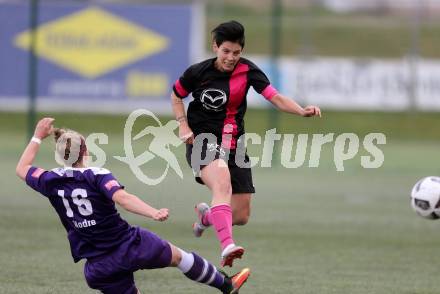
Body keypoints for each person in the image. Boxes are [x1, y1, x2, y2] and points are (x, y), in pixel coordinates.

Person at [16, 117, 250, 294]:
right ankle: (226, 284)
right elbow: (123, 199)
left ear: (59, 156)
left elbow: (22, 168)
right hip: (129, 245)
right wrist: (153, 212)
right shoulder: (97, 175)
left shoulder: (49, 179)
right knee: (180, 258)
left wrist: (37, 136)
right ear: (85, 150)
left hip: (97, 267)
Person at [171, 20, 321, 267]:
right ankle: (227, 246)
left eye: (236, 52)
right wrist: (182, 124)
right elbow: (177, 95)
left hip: (234, 145)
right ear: (215, 47)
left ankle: (207, 216)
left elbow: (276, 97)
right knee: (222, 183)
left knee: (241, 215)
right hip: (202, 140)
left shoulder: (248, 71)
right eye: (226, 51)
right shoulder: (198, 72)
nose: (231, 57)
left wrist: (301, 111)